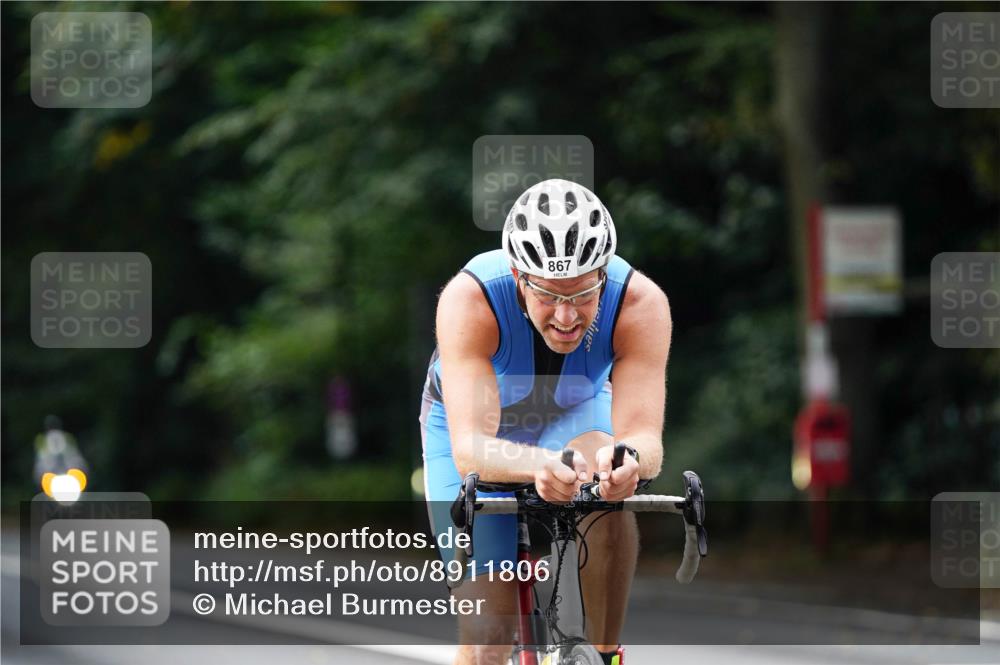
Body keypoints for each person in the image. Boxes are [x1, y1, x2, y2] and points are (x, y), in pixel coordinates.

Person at [420, 179, 672, 665]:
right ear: (517, 275)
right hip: (479, 431)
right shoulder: (469, 300)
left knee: (605, 481)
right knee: (487, 640)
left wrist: (629, 463)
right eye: (548, 295)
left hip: (575, 414)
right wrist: (540, 465)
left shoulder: (640, 304)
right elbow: (472, 449)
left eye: (582, 294)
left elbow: (645, 440)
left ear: (602, 274)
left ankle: (603, 655)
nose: (566, 315)